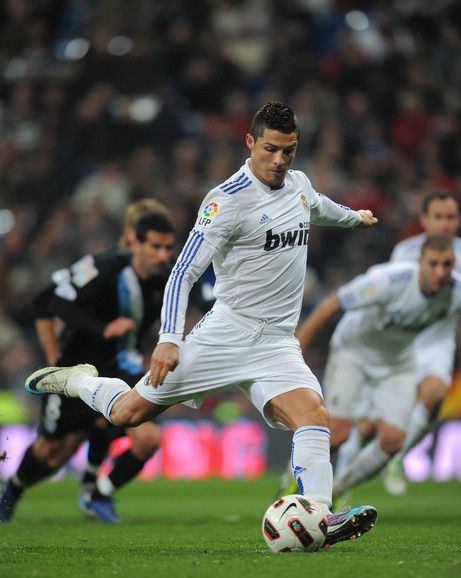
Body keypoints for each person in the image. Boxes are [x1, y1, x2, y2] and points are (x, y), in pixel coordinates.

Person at [24, 102, 379, 547]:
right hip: (226, 335)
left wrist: (354, 218)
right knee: (129, 414)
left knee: (314, 417)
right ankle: (79, 381)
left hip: (277, 344)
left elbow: (316, 206)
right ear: (250, 142)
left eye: (288, 151)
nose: (279, 161)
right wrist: (169, 339)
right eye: (270, 149)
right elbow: (183, 273)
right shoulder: (225, 200)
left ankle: (320, 519)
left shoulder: (298, 184)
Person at [0, 212, 175, 523]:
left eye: (167, 248)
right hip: (77, 371)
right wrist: (101, 327)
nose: (162, 255)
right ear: (135, 243)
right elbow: (52, 302)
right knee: (53, 452)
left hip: (123, 368)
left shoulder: (168, 280)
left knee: (148, 438)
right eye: (155, 247)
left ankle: (97, 494)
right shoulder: (103, 267)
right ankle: (13, 488)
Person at [295, 235, 461, 499]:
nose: (440, 272)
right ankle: (296, 481)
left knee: (394, 440)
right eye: (433, 264)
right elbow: (331, 304)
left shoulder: (455, 293)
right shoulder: (390, 281)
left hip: (397, 361)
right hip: (355, 351)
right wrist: (298, 347)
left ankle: (337, 489)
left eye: (447, 265)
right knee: (337, 434)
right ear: (420, 262)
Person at [381, 190, 461, 494]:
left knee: (435, 396)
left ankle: (395, 457)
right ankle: (346, 475)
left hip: (439, 344)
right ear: (424, 220)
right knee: (375, 419)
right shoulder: (404, 252)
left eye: (450, 217)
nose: (444, 223)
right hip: (403, 340)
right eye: (438, 217)